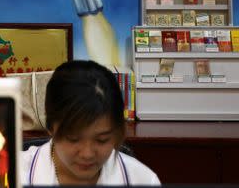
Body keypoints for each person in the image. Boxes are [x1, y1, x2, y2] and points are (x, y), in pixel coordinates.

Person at [20, 60, 160, 186]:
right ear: (50, 127)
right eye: (73, 139)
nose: (87, 154)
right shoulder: (13, 174)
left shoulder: (143, 180)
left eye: (101, 140)